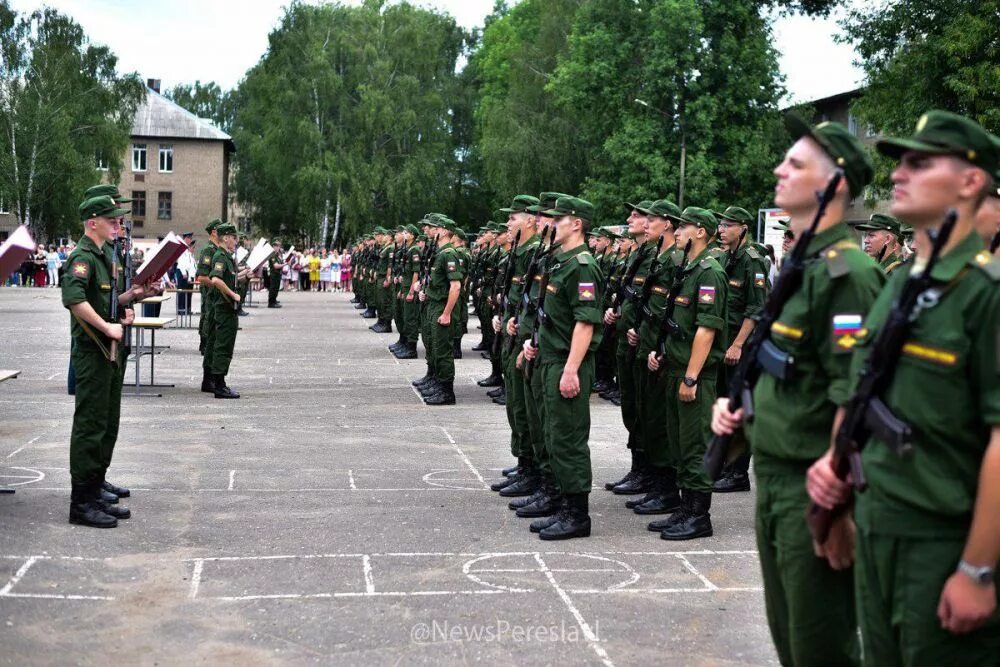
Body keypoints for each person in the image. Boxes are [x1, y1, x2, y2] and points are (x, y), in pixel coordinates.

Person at [807, 110, 1000, 667]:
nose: (898, 174)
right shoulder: (903, 285)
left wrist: (977, 570)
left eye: (920, 162)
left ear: (969, 181)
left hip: (941, 545)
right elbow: (864, 391)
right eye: (899, 163)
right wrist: (836, 478)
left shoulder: (985, 294)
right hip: (876, 526)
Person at [711, 114, 883, 666]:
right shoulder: (801, 265)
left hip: (813, 482)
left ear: (833, 184)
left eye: (796, 163)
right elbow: (782, 364)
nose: (778, 169)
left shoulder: (847, 273)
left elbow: (850, 392)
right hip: (775, 472)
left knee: (820, 643)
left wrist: (837, 503)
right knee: (789, 636)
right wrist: (740, 413)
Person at [522, 195, 604, 540]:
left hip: (566, 364)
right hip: (549, 358)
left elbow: (585, 324)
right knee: (554, 435)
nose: (551, 225)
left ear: (576, 224)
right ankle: (560, 503)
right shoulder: (559, 262)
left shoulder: (583, 265)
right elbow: (553, 317)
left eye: (558, 220)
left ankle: (577, 515)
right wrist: (534, 343)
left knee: (568, 439)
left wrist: (571, 369)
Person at [646, 207, 728, 539]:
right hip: (676, 368)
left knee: (695, 446)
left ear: (700, 232)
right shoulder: (688, 269)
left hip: (695, 376)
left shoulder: (709, 272)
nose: (676, 232)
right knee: (680, 445)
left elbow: (706, 331)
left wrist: (691, 377)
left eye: (684, 227)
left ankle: (698, 516)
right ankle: (684, 508)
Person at [62, 195, 135, 528]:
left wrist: (126, 305)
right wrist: (107, 327)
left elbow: (103, 301)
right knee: (90, 425)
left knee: (105, 422)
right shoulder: (82, 257)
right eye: (111, 219)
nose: (117, 225)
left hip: (107, 351)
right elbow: (74, 299)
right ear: (93, 222)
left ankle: (93, 490)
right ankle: (81, 503)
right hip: (92, 352)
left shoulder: (103, 255)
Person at [713, 206, 769, 494]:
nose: (721, 230)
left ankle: (737, 473)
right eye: (720, 225)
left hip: (741, 346)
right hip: (724, 344)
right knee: (724, 403)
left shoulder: (752, 261)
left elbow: (756, 308)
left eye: (727, 225)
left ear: (743, 228)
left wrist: (737, 343)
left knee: (738, 407)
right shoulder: (726, 257)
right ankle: (725, 466)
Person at [417, 219, 464, 405]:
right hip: (434, 303)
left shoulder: (449, 254)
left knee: (443, 350)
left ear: (444, 232)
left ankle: (446, 391)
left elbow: (456, 287)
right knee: (434, 346)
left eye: (435, 228)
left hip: (442, 306)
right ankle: (436, 381)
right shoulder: (439, 252)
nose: (430, 231)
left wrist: (446, 313)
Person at [206, 222, 242, 399]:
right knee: (222, 346)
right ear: (226, 238)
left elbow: (226, 279)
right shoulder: (221, 256)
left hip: (228, 309)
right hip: (224, 308)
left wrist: (243, 276)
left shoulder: (226, 257)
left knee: (226, 346)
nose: (236, 241)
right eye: (234, 238)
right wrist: (233, 295)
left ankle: (220, 382)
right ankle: (219, 385)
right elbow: (215, 280)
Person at [197, 219, 222, 391]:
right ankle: (208, 380)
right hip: (211, 300)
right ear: (214, 232)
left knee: (215, 340)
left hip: (217, 301)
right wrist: (220, 284)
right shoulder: (208, 250)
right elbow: (202, 277)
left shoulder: (218, 250)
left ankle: (212, 377)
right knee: (211, 340)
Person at [174, 232, 197, 314]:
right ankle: (181, 309)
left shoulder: (186, 249)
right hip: (182, 272)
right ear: (186, 238)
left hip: (187, 273)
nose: (190, 240)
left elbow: (190, 264)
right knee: (182, 291)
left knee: (187, 292)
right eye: (190, 238)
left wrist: (191, 275)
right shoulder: (182, 247)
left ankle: (186, 309)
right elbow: (181, 262)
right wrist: (184, 272)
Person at [267, 239, 285, 307]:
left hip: (277, 273)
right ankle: (271, 303)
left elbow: (279, 263)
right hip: (274, 274)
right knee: (273, 288)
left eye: (279, 246)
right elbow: (276, 266)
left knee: (276, 288)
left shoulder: (277, 255)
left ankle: (274, 300)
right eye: (277, 246)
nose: (278, 248)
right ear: (273, 246)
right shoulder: (272, 255)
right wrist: (284, 265)